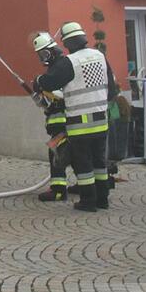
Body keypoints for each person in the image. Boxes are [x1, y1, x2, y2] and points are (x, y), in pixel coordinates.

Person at [37, 22, 110, 212]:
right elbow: (113, 88)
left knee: (84, 164)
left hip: (80, 124)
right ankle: (103, 199)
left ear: (67, 43)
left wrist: (38, 81)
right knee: (99, 163)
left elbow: (50, 81)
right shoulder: (99, 56)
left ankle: (88, 202)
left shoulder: (70, 62)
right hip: (101, 121)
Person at [31, 32, 69, 202]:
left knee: (57, 153)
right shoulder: (58, 66)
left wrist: (40, 82)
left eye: (43, 54)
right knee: (73, 153)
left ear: (51, 51)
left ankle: (58, 190)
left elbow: (60, 93)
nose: (42, 58)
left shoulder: (60, 66)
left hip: (62, 120)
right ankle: (84, 186)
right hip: (63, 119)